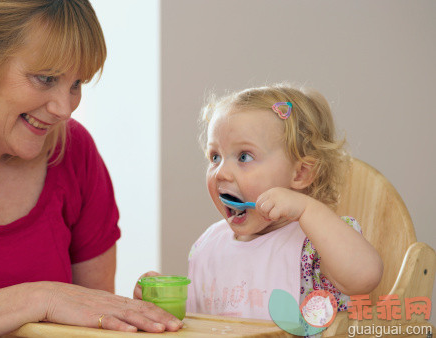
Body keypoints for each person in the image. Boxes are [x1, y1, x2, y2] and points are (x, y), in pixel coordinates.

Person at [0, 0, 183, 336]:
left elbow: (95, 318)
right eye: (45, 78)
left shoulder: (74, 152)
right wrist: (40, 298)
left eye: (76, 83)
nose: (65, 109)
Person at [134, 83, 383, 321]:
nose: (221, 172)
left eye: (244, 156)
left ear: (300, 174)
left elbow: (365, 277)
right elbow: (199, 321)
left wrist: (308, 209)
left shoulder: (314, 245)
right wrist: (163, 306)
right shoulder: (208, 245)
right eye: (215, 157)